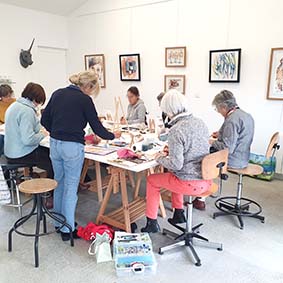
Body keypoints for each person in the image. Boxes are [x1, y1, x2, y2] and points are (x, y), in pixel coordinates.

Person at [41, 71, 121, 242]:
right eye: (93, 90)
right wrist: (114, 136)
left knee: (59, 183)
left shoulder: (57, 93)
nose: (92, 93)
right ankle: (67, 229)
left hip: (55, 144)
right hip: (72, 147)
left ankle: (58, 222)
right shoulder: (85, 100)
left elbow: (44, 120)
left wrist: (57, 131)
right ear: (88, 86)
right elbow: (98, 128)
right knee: (71, 187)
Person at [141, 89, 212, 233]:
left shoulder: (176, 129)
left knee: (152, 180)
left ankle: (151, 223)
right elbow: (194, 149)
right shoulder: (200, 123)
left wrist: (158, 158)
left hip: (189, 182)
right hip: (206, 179)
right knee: (176, 174)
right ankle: (179, 213)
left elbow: (176, 164)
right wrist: (173, 151)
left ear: (169, 110)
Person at [193, 90, 255, 210]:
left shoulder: (231, 120)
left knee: (203, 157)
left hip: (233, 160)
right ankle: (203, 191)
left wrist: (212, 142)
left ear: (224, 106)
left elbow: (227, 148)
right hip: (244, 157)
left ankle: (200, 198)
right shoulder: (245, 115)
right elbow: (237, 137)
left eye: (217, 109)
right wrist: (220, 133)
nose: (219, 112)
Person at [4, 82, 53, 178]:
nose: (38, 105)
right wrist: (43, 134)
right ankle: (52, 190)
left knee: (46, 153)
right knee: (53, 158)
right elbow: (28, 140)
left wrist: (42, 130)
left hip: (9, 152)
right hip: (20, 154)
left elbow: (35, 125)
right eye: (39, 102)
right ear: (35, 99)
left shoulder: (14, 106)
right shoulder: (27, 111)